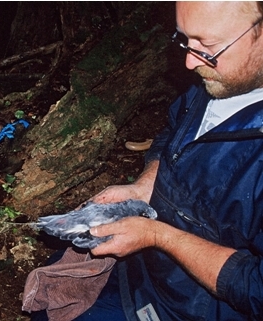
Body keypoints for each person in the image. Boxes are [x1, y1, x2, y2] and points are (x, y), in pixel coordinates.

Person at [30, 1, 263, 320]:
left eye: (207, 46)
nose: (189, 62)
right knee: (50, 293)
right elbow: (172, 131)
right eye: (184, 39)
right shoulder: (217, 82)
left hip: (196, 306)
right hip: (148, 268)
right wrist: (144, 186)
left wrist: (158, 236)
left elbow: (255, 289)